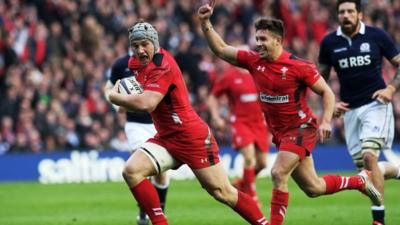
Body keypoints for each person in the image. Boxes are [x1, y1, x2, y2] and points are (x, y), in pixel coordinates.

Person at [198, 3, 382, 225]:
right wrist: (205, 22)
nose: (258, 44)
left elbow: (327, 92)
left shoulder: (299, 66)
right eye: (257, 39)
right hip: (280, 134)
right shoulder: (253, 61)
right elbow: (220, 49)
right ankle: (360, 181)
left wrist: (325, 122)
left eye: (263, 39)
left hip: (301, 128)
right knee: (313, 187)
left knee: (277, 173)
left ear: (278, 40)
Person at [108, 21, 269, 225]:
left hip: (191, 137)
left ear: (154, 43)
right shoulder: (134, 64)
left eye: (144, 44)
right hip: (166, 137)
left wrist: (115, 98)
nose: (140, 50)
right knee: (131, 170)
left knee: (223, 192)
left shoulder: (162, 65)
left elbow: (147, 103)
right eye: (135, 46)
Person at [318, 1, 400, 224]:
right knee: (367, 173)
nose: (346, 15)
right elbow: (319, 81)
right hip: (350, 112)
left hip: (376, 105)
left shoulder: (376, 35)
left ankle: (379, 219)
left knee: (369, 156)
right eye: (342, 12)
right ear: (338, 16)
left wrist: (391, 88)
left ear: (359, 14)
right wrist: (330, 105)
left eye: (350, 11)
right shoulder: (329, 42)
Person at [104, 52, 170, 225]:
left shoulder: (158, 62)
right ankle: (144, 213)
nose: (139, 46)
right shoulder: (121, 64)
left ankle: (159, 212)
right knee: (141, 169)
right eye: (135, 42)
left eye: (143, 42)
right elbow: (108, 87)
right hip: (136, 125)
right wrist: (115, 104)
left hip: (159, 124)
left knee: (161, 175)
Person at [208, 60, 270, 204]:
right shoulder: (229, 77)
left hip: (259, 123)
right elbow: (213, 97)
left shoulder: (258, 73)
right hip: (240, 122)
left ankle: (242, 183)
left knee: (262, 164)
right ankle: (251, 196)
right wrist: (216, 116)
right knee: (249, 158)